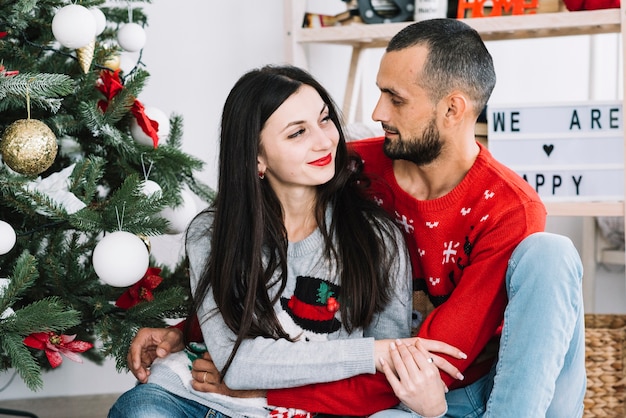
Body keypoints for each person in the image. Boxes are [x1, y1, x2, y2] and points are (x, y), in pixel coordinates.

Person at [124, 18, 586, 418]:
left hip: (459, 387)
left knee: (551, 251)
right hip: (382, 382)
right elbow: (249, 247)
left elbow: (425, 367)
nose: (375, 113)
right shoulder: (348, 168)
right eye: (380, 92)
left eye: (395, 99)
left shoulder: (507, 208)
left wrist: (266, 388)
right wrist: (187, 332)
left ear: (452, 109)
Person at [108, 65, 466, 418]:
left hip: (305, 409)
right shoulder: (212, 232)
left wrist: (276, 384)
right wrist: (370, 352)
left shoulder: (377, 236)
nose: (325, 140)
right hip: (197, 397)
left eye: (324, 119)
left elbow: (390, 372)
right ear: (256, 157)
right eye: (297, 133)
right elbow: (237, 363)